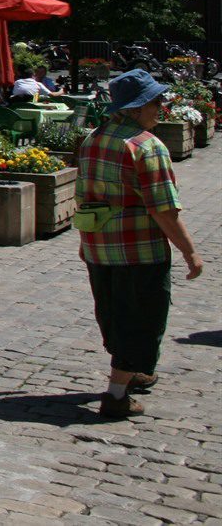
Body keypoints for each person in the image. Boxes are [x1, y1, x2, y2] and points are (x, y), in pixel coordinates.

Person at [76, 69, 203, 419]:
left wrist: (84, 241)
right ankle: (116, 395)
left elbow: (83, 195)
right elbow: (164, 209)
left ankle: (137, 372)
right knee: (143, 317)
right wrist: (190, 252)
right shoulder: (147, 146)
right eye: (155, 102)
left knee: (114, 314)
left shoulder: (94, 138)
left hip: (100, 247)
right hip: (139, 248)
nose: (160, 108)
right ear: (136, 108)